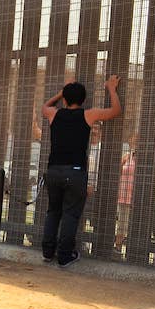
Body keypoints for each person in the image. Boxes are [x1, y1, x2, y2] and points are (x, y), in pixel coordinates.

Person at [41, 75, 121, 267]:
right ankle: (65, 256)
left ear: (66, 99)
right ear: (83, 100)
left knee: (53, 211)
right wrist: (111, 88)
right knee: (70, 214)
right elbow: (116, 111)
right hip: (75, 172)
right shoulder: (88, 114)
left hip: (54, 170)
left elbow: (44, 107)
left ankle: (47, 252)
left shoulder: (54, 114)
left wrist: (60, 94)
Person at [115, 133, 138, 253]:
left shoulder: (144, 159)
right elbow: (117, 171)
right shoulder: (126, 157)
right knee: (122, 225)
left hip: (136, 198)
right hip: (124, 196)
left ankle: (132, 251)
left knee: (132, 226)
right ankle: (118, 248)